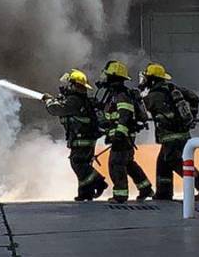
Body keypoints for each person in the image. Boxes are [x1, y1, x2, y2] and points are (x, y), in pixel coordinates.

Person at [140, 62, 199, 201]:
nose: (145, 80)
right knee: (163, 163)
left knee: (175, 162)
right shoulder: (173, 88)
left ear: (152, 79)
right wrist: (192, 117)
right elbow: (194, 97)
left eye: (147, 78)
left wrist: (138, 92)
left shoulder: (154, 95)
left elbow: (142, 108)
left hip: (170, 136)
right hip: (182, 133)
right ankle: (163, 193)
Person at [43, 70, 108, 201]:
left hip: (81, 138)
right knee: (83, 163)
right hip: (85, 137)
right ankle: (85, 193)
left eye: (69, 84)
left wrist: (49, 100)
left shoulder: (74, 100)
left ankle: (99, 182)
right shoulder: (79, 99)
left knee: (77, 163)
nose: (66, 87)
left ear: (74, 85)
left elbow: (56, 109)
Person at [96, 60, 153, 203]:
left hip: (123, 136)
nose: (105, 77)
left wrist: (119, 133)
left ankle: (120, 195)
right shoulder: (115, 94)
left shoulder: (120, 94)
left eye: (107, 75)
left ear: (113, 77)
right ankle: (146, 189)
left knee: (116, 164)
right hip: (124, 136)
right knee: (129, 164)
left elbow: (125, 115)